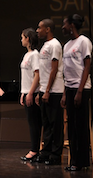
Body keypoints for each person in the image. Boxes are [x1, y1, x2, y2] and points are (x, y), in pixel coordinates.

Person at [61, 14, 92, 171]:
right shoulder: (66, 45)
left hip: (82, 88)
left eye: (65, 24)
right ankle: (74, 161)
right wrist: (66, 93)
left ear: (72, 25)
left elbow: (87, 66)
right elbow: (66, 70)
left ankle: (83, 161)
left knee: (80, 125)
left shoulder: (84, 41)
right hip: (70, 87)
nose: (63, 27)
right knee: (72, 126)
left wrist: (80, 91)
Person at [35, 19, 64, 165]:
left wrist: (47, 91)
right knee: (46, 123)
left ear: (47, 29)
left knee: (55, 124)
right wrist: (40, 90)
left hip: (55, 90)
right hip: (45, 89)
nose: (37, 30)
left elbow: (54, 69)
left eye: (39, 28)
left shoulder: (55, 45)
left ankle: (55, 154)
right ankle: (45, 152)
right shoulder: (45, 45)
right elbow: (43, 70)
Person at [19, 28, 42, 162]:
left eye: (22, 37)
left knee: (34, 122)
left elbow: (37, 75)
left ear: (28, 38)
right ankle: (34, 149)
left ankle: (34, 150)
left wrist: (31, 93)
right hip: (27, 92)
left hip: (33, 92)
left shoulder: (35, 55)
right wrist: (23, 93)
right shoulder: (26, 55)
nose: (21, 40)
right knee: (31, 122)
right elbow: (26, 77)